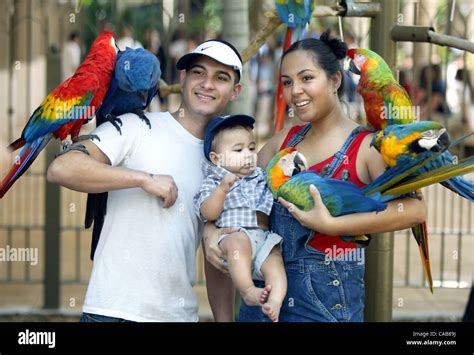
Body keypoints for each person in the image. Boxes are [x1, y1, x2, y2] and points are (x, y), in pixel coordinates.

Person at [203, 30, 427, 322]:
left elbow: (415, 209)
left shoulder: (367, 146)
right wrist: (212, 232)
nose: (295, 91)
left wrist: (333, 225)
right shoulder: (283, 140)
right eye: (287, 82)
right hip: (263, 297)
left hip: (326, 306)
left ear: (335, 80)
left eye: (307, 78)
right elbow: (238, 197)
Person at [47, 39, 244, 322]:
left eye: (221, 77)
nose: (207, 84)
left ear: (235, 91)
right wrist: (143, 179)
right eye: (199, 72)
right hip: (111, 311)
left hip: (177, 316)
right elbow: (62, 168)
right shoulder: (135, 126)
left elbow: (216, 259)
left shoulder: (225, 162)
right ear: (183, 78)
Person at [194, 114, 286, 322]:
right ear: (217, 159)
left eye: (252, 148)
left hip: (261, 239)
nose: (248, 155)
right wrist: (222, 190)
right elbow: (208, 213)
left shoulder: (260, 175)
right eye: (238, 150)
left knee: (275, 259)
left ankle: (276, 301)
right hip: (232, 236)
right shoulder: (214, 181)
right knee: (239, 243)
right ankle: (247, 290)